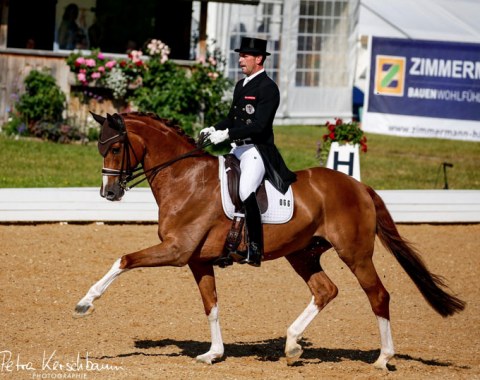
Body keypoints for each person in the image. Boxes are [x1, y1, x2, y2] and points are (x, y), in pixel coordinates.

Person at [201, 37, 297, 267]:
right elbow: (233, 118)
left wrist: (227, 135)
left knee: (245, 191)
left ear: (259, 58)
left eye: (245, 56)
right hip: (238, 148)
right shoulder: (240, 85)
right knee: (218, 186)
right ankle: (226, 243)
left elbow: (260, 126)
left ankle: (255, 248)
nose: (240, 60)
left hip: (256, 150)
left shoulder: (268, 88)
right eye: (240, 56)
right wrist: (215, 127)